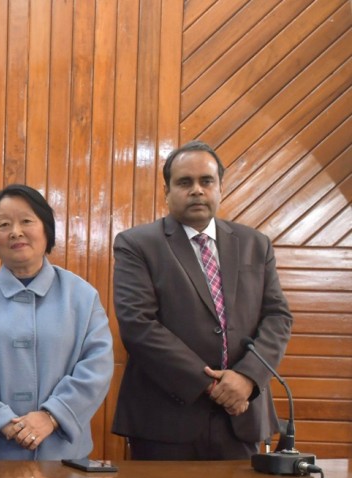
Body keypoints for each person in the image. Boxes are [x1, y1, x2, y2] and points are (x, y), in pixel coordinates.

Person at [112, 140, 293, 460]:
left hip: (241, 415)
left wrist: (247, 378)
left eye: (206, 181)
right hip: (165, 419)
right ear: (167, 191)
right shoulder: (137, 244)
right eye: (185, 182)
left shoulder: (256, 244)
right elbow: (138, 325)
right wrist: (213, 386)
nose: (197, 190)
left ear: (220, 187)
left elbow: (277, 316)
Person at [0, 185, 113, 460]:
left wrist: (52, 416)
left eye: (26, 221)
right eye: (4, 225)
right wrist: (2, 421)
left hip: (63, 456)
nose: (15, 232)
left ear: (46, 229)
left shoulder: (81, 296)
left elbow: (97, 366)